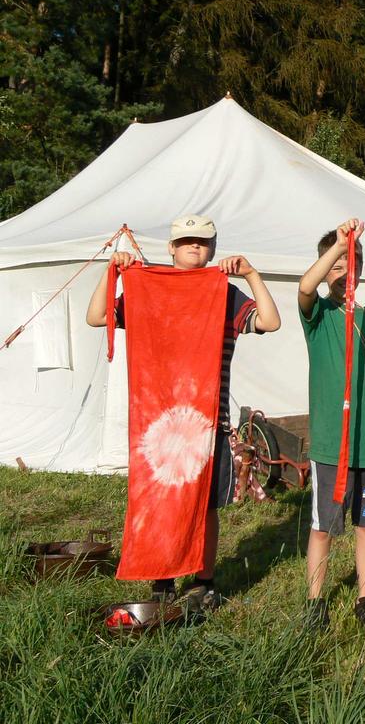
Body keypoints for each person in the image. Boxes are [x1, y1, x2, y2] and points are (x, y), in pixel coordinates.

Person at [85, 214, 281, 608]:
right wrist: (113, 273)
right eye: (186, 240)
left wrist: (252, 275)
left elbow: (270, 322)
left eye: (203, 241)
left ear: (212, 248)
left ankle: (203, 581)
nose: (195, 246)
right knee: (161, 501)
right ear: (171, 248)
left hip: (207, 421)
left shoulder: (222, 293)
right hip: (159, 420)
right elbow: (97, 317)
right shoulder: (148, 289)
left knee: (205, 508)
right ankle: (163, 580)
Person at [297, 219, 365, 635]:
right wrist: (339, 248)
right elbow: (305, 289)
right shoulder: (319, 315)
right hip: (332, 443)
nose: (345, 273)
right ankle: (314, 602)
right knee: (324, 526)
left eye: (353, 265)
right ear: (326, 269)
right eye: (337, 266)